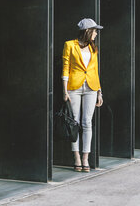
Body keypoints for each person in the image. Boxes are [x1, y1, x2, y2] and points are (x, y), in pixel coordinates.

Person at [62, 18, 103, 172]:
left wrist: (100, 91)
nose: (96, 34)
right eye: (95, 31)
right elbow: (66, 68)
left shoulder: (93, 48)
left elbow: (95, 70)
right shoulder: (69, 45)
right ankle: (77, 157)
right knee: (75, 123)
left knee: (87, 122)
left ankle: (85, 158)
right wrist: (64, 90)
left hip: (91, 87)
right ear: (87, 31)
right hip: (74, 87)